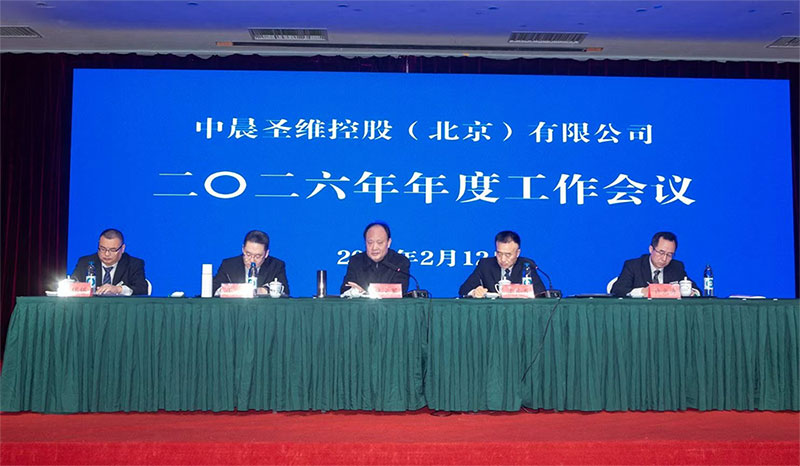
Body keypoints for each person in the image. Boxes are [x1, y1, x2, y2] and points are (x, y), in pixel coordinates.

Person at [610, 231, 699, 297]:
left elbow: (696, 291)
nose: (664, 258)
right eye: (661, 252)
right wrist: (642, 292)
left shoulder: (677, 267)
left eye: (669, 254)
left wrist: (692, 292)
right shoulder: (633, 266)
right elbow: (617, 290)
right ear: (651, 249)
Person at [459, 230, 545, 298]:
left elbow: (541, 294)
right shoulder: (485, 265)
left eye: (508, 255)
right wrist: (474, 292)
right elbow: (463, 290)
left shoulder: (527, 265)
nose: (503, 259)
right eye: (499, 253)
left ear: (518, 253)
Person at [70, 228, 148, 295]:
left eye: (113, 250)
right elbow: (72, 284)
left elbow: (142, 289)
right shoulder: (85, 262)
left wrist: (118, 289)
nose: (107, 254)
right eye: (102, 249)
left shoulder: (134, 264)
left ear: (122, 248)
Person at [212, 230, 289, 296]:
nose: (252, 260)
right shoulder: (228, 265)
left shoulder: (276, 266)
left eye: (257, 256)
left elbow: (284, 291)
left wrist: (263, 290)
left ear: (266, 254)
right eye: (248, 254)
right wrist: (235, 290)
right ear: (243, 249)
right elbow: (214, 289)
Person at [340, 222, 410, 295]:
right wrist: (354, 291)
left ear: (388, 242)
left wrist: (365, 293)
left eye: (379, 242)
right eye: (370, 242)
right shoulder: (356, 261)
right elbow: (346, 289)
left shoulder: (400, 262)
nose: (374, 247)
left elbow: (399, 291)